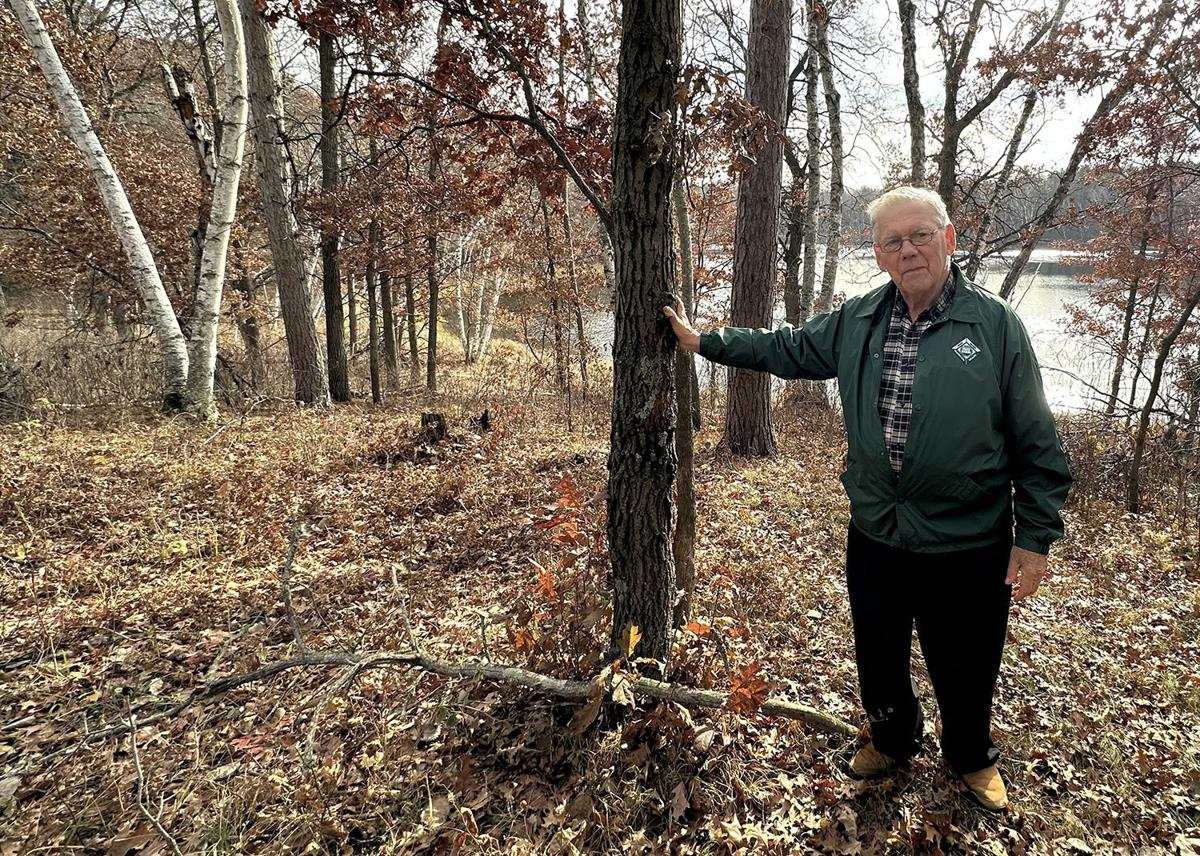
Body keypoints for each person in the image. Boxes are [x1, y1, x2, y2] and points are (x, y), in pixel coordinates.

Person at [663, 185, 1072, 812]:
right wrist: (706, 342)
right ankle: (891, 738)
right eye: (892, 241)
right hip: (878, 530)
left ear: (949, 240)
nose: (908, 249)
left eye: (920, 235)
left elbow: (1036, 440)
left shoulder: (994, 327)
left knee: (967, 662)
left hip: (969, 539)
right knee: (877, 652)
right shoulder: (859, 320)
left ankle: (969, 756)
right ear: (878, 255)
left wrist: (1035, 536)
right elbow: (788, 348)